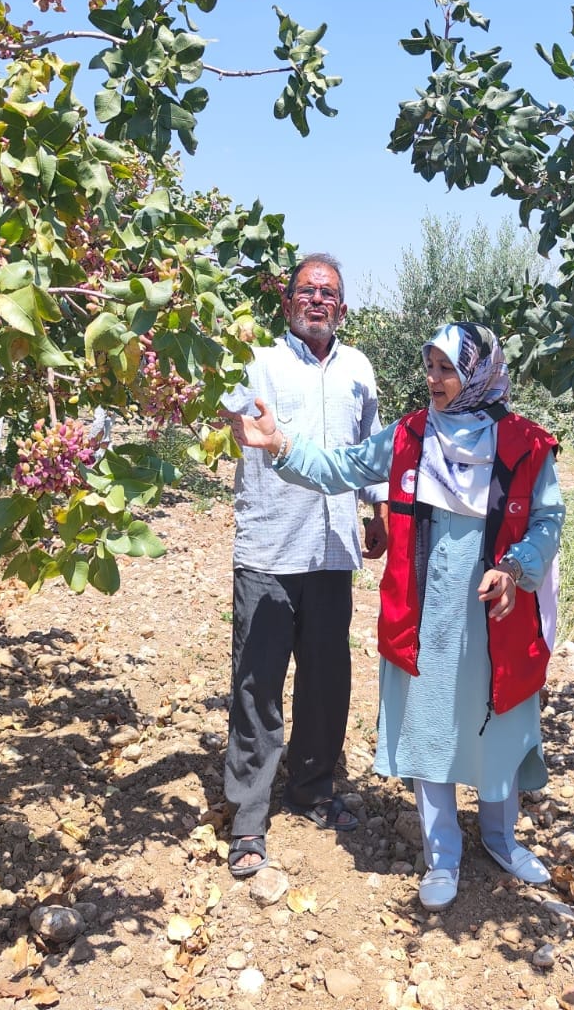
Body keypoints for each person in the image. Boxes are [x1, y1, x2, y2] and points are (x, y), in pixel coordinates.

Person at [231, 322, 565, 911]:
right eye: (430, 366)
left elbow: (547, 521)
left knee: (499, 722)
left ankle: (500, 839)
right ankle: (444, 856)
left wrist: (515, 568)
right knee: (431, 727)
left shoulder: (526, 445)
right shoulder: (411, 435)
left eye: (446, 368)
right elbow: (341, 468)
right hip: (428, 614)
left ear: (478, 373)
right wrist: (280, 446)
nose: (433, 379)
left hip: (497, 614)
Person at [222, 254, 388, 879]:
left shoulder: (359, 369)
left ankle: (313, 788)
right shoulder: (260, 361)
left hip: (332, 552)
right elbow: (228, 415)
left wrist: (379, 511)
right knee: (257, 683)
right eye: (306, 291)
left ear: (342, 309)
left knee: (326, 679)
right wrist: (236, 424)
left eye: (329, 293)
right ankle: (247, 816)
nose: (317, 300)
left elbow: (369, 449)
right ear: (288, 302)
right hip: (268, 546)